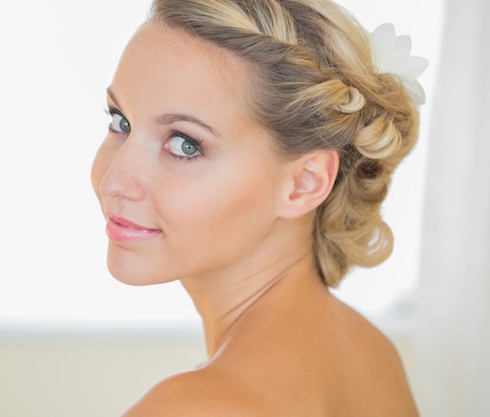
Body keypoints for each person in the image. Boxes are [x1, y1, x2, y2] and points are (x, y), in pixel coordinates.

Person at [91, 0, 425, 415]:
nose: (113, 181)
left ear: (304, 183)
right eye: (120, 121)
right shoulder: (370, 351)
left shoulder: (191, 408)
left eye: (184, 144)